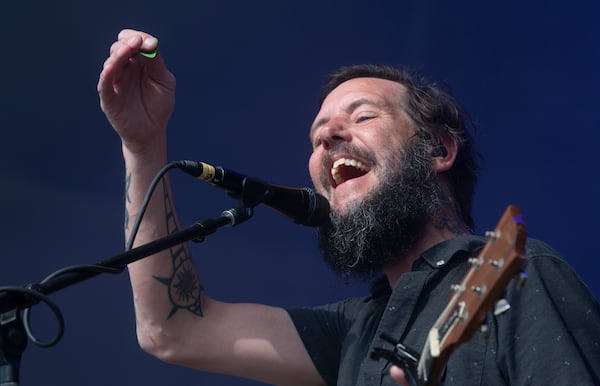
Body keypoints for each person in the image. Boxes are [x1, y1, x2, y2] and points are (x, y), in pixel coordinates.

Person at [97, 29, 600, 386]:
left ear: (439, 150)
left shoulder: (519, 276)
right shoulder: (356, 333)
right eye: (318, 137)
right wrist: (143, 145)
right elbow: (172, 329)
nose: (330, 137)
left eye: (362, 116)